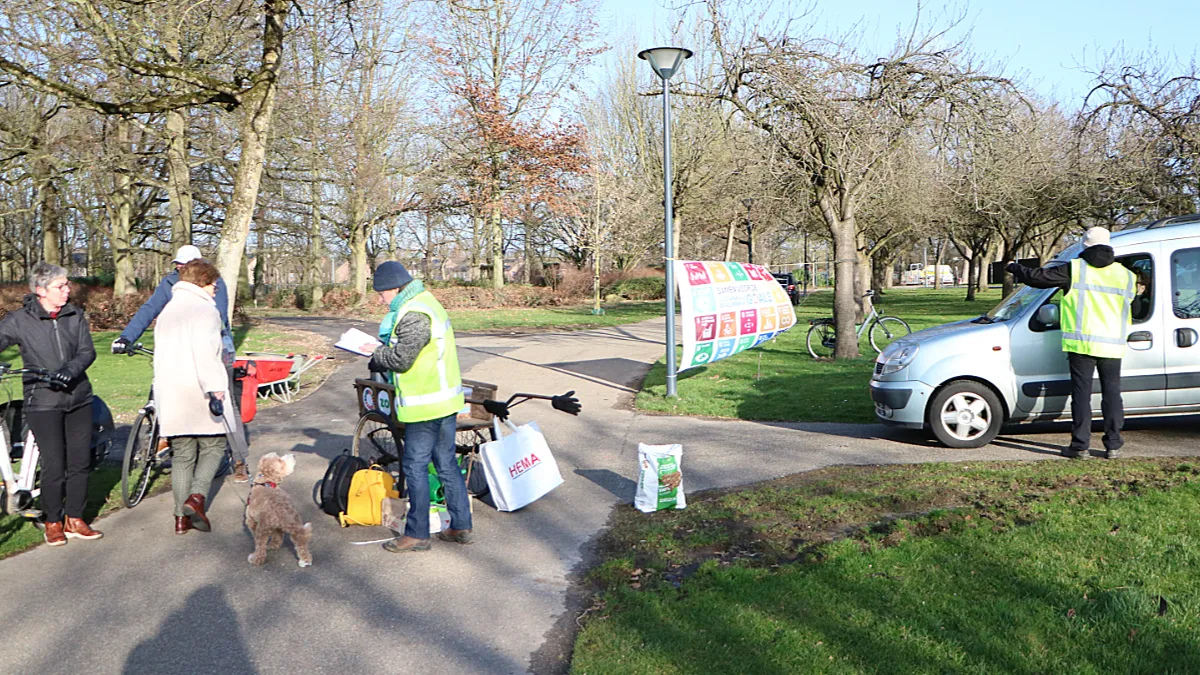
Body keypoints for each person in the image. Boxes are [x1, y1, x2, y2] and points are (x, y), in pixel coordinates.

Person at [112, 245, 249, 483]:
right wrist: (126, 337)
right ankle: (160, 445)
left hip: (213, 347)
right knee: (164, 392)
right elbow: (149, 310)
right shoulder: (170, 283)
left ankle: (239, 460)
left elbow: (217, 318)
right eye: (177, 264)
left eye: (184, 265)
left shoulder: (214, 282)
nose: (179, 268)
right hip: (179, 349)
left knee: (225, 404)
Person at [365, 261, 472, 553]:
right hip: (444, 401)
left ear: (395, 288)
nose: (379, 298)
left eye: (381, 292)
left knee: (414, 467)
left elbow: (402, 358)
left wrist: (376, 356)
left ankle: (416, 534)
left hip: (426, 406)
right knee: (447, 463)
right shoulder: (427, 303)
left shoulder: (414, 312)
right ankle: (461, 525)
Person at [1007, 226, 1137, 459]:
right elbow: (1134, 307)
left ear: (1084, 245)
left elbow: (1038, 278)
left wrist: (1013, 267)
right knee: (1112, 394)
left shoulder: (1074, 269)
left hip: (1082, 344)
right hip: (1113, 345)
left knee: (1081, 395)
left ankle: (1080, 446)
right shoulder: (1126, 275)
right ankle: (1114, 445)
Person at [0, 263, 102, 545]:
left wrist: (71, 370)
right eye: (61, 286)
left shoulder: (75, 315)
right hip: (43, 401)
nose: (67, 290)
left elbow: (87, 351)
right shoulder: (19, 320)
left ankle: (75, 518)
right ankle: (53, 520)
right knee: (54, 464)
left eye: (67, 285)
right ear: (41, 291)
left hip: (79, 397)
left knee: (80, 461)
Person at [153, 260, 237, 535]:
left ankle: (180, 519)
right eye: (213, 284)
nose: (215, 289)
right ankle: (197, 497)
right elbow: (206, 353)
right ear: (202, 281)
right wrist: (216, 388)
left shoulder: (167, 311)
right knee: (214, 446)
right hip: (199, 391)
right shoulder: (205, 311)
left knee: (183, 455)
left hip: (172, 392)